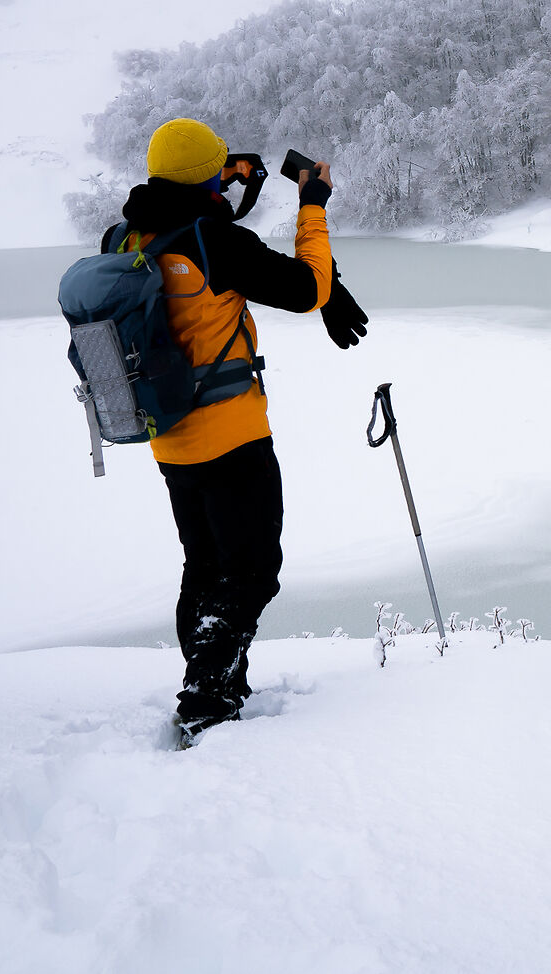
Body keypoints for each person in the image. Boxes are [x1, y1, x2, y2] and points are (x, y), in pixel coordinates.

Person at [107, 117, 366, 745]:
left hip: (169, 439)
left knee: (204, 567)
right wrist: (311, 204)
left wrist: (222, 177)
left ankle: (215, 678)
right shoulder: (215, 240)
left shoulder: (126, 238)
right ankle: (207, 697)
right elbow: (305, 288)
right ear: (204, 177)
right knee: (252, 570)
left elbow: (192, 225)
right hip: (233, 437)